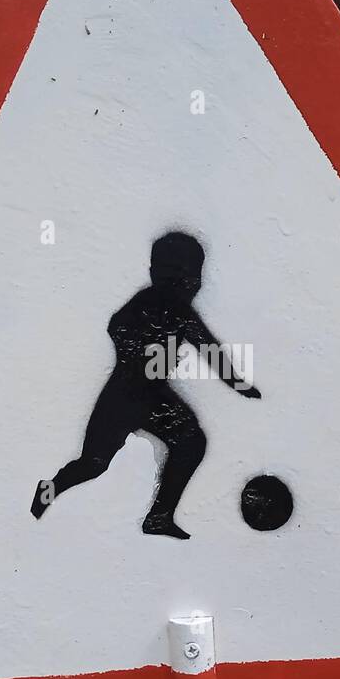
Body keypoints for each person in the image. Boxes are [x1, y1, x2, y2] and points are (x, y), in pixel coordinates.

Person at [31, 231, 260, 539]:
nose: (193, 284)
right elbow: (207, 350)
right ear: (166, 276)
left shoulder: (162, 308)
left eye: (194, 276)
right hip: (132, 395)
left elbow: (123, 328)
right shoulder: (168, 309)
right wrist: (238, 385)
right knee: (96, 463)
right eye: (188, 276)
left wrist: (237, 384)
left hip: (138, 395)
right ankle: (55, 490)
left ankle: (157, 517)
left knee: (181, 444)